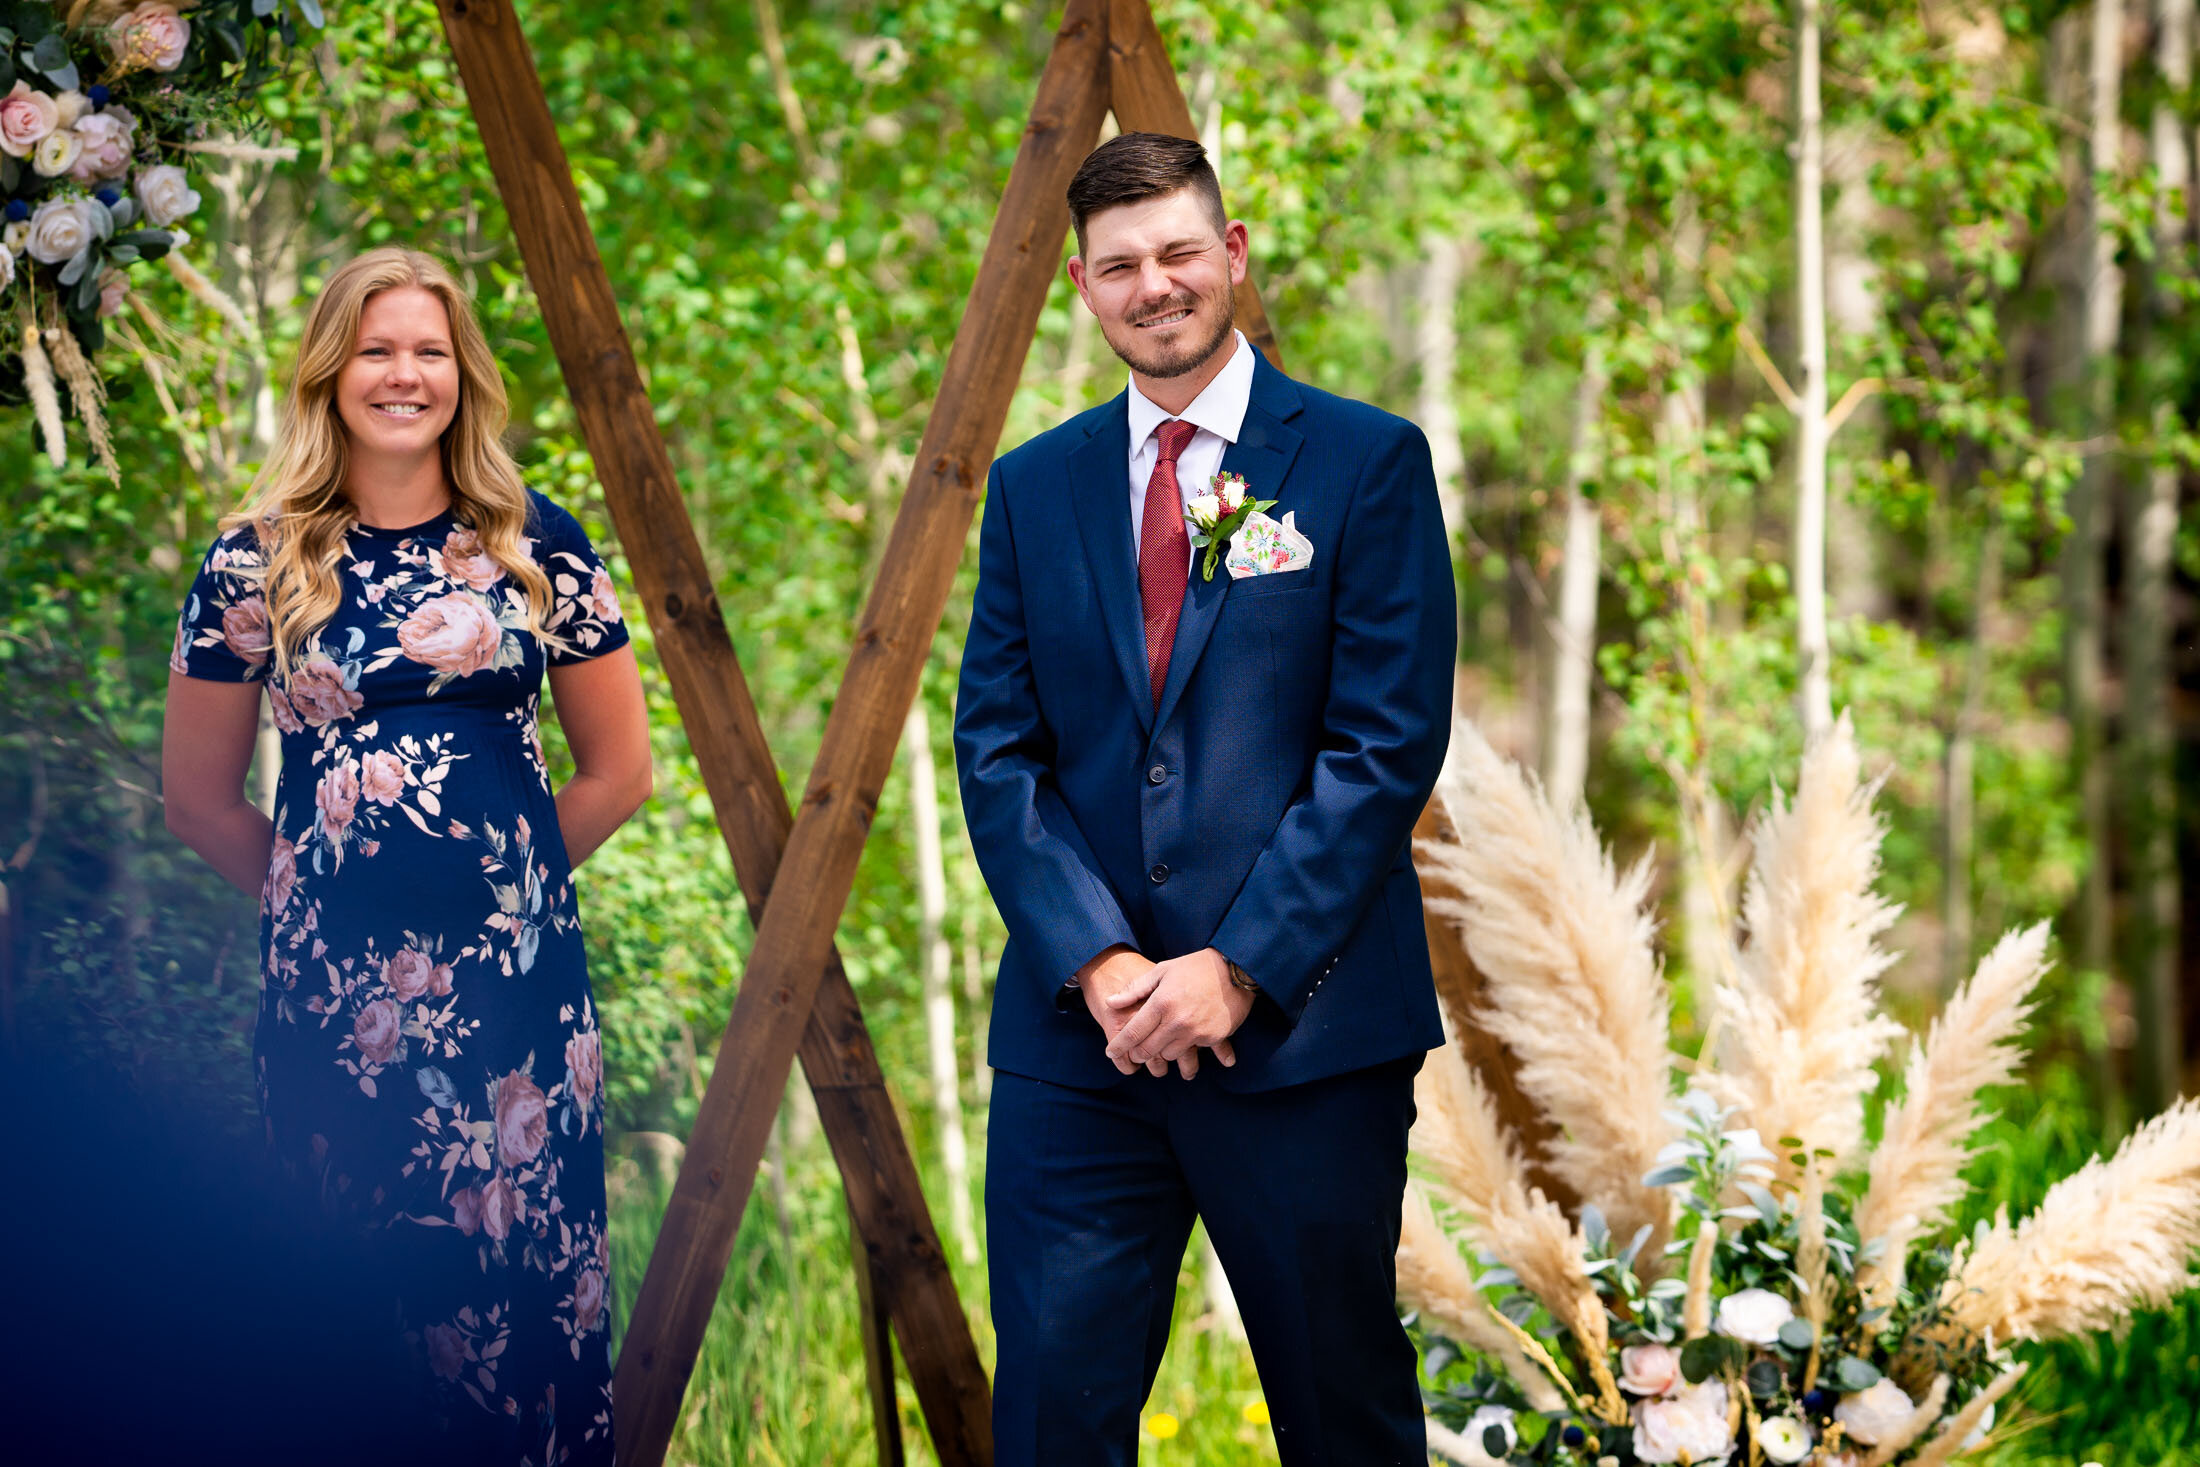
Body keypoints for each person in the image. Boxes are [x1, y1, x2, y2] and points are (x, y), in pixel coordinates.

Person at [955, 133, 1457, 1465]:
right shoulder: (1032, 487)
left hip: (1303, 1031)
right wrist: (1104, 961)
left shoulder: (1365, 463)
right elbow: (997, 752)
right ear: (1084, 286)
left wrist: (1237, 965)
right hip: (1082, 1043)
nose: (1154, 284)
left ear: (1229, 255)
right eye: (1120, 265)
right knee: (1055, 1419)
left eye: (1178, 251)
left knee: (1342, 1415)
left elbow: (1384, 746)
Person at [162, 247, 649, 1466]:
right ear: (330, 372)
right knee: (357, 1322)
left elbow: (618, 773)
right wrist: (319, 910)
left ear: (462, 375)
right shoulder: (250, 563)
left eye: (429, 349)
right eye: (376, 349)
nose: (403, 374)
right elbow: (200, 803)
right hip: (335, 1016)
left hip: (517, 1015)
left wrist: (504, 907)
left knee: (525, 1317)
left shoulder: (539, 544)